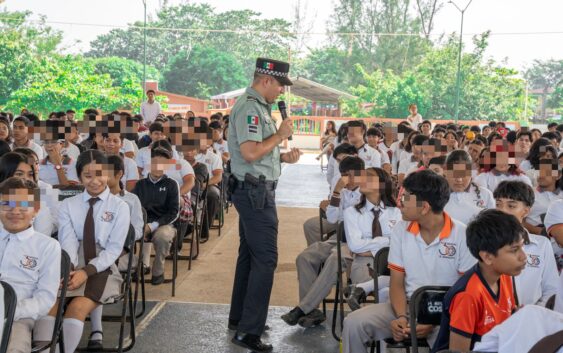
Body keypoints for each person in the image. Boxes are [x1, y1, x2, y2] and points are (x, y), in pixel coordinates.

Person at [341, 170, 476, 353]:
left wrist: (433, 319)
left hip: (449, 313)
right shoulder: (401, 230)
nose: (399, 202)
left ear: (425, 207)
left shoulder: (462, 235)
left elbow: (466, 292)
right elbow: (397, 282)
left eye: (405, 198)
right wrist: (402, 317)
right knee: (354, 323)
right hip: (408, 306)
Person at [227, 57, 299, 353]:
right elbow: (250, 152)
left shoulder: (259, 107)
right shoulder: (250, 107)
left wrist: (281, 156)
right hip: (255, 194)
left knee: (250, 255)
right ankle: (249, 331)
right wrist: (280, 136)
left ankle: (241, 319)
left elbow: (257, 153)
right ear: (266, 80)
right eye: (281, 85)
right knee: (266, 259)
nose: (282, 91)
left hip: (254, 188)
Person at [37, 150, 130, 353]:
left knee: (76, 309)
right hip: (73, 259)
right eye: (87, 176)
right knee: (48, 305)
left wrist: (85, 271)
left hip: (103, 265)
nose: (94, 181)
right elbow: (68, 241)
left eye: (99, 174)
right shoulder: (69, 205)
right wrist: (69, 268)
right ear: (79, 176)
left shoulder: (120, 207)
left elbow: (114, 249)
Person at [431, 209, 525, 353]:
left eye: (522, 246)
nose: (523, 256)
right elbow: (458, 351)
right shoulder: (468, 295)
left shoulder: (505, 276)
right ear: (487, 257)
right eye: (514, 250)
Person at [87, 154, 144, 349]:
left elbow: (137, 231)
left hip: (122, 252)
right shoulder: (90, 198)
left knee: (98, 270)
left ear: (119, 174)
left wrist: (117, 236)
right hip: (91, 250)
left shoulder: (131, 200)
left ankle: (96, 330)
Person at [0, 177, 60, 353]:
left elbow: (45, 299)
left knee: (14, 347)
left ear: (35, 210)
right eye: (7, 204)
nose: (15, 211)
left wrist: (9, 311)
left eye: (23, 206)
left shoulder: (47, 246)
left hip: (18, 316)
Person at [493, 181, 558, 306]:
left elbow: (551, 289)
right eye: (498, 204)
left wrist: (530, 315)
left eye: (511, 206)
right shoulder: (485, 242)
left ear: (526, 211)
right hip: (493, 320)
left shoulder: (541, 245)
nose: (502, 211)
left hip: (532, 319)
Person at [132, 147, 180, 285]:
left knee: (162, 236)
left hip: (164, 224)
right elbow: (135, 209)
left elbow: (174, 212)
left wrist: (152, 226)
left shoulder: (171, 184)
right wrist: (141, 225)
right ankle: (136, 266)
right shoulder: (140, 185)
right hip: (142, 223)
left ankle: (158, 270)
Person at [443, 150, 495, 225]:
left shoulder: (486, 195)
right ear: (445, 172)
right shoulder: (435, 195)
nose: (459, 180)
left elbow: (493, 224)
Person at [524, 158, 563, 235]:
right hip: (533, 239)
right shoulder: (528, 193)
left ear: (558, 176)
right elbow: (519, 220)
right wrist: (539, 231)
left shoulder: (561, 195)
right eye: (539, 171)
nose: (541, 175)